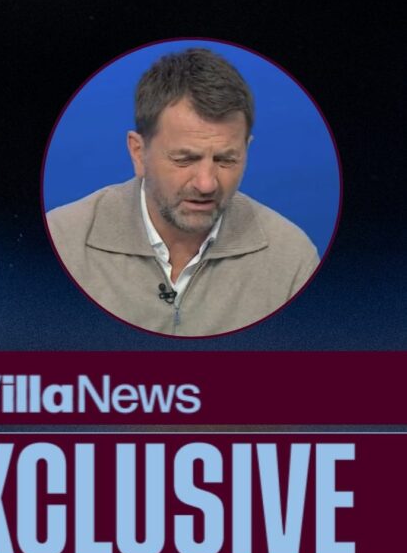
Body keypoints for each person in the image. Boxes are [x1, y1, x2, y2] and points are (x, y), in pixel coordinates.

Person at [46, 47, 320, 336]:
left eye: (226, 159)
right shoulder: (63, 243)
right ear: (138, 153)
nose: (206, 184)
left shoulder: (292, 258)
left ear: (247, 150)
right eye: (184, 159)